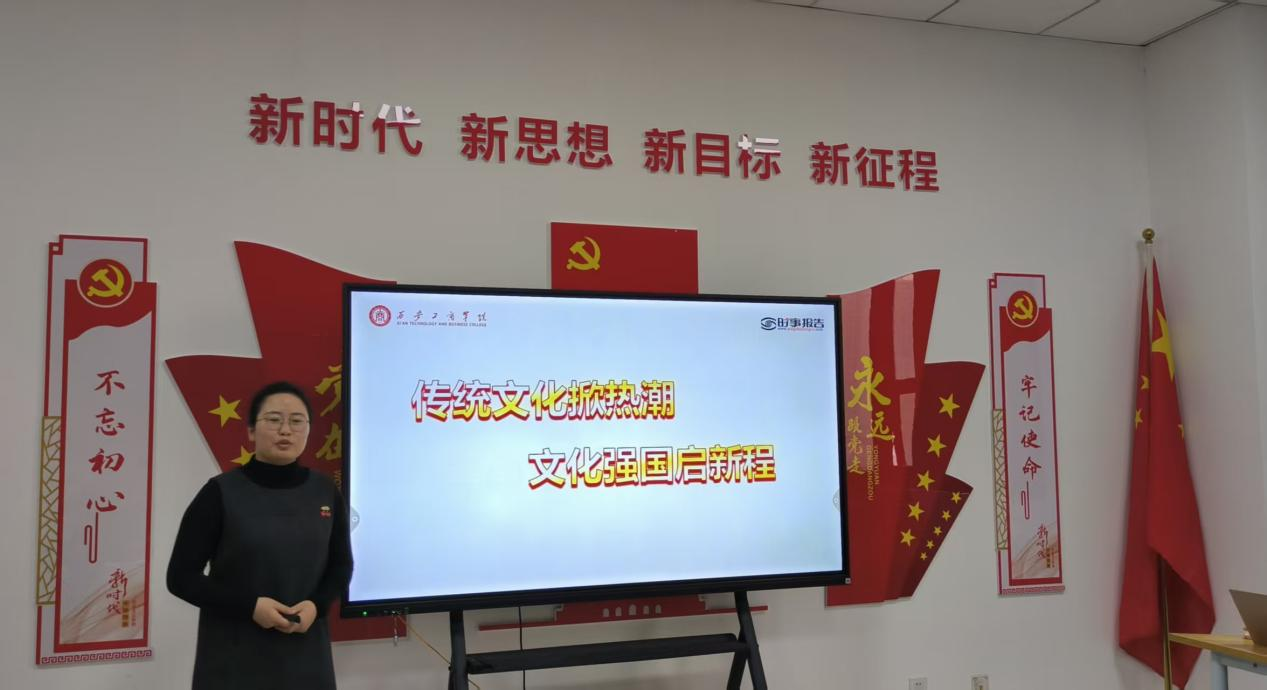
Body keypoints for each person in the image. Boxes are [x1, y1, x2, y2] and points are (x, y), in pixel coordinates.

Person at [167, 381, 352, 690]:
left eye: (297, 421)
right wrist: (250, 606)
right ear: (251, 431)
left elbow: (341, 565)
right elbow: (181, 578)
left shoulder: (325, 492)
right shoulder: (219, 493)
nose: (285, 430)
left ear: (308, 430)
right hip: (234, 658)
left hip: (307, 657)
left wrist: (316, 606)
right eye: (274, 420)